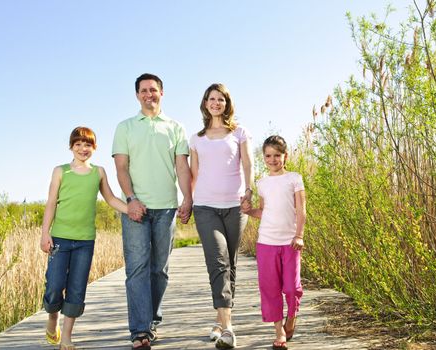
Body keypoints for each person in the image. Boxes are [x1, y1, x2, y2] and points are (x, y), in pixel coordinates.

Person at [112, 73, 192, 350]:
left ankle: (151, 318)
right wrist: (131, 199)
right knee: (137, 269)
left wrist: (188, 198)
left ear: (162, 93)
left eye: (154, 90)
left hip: (167, 208)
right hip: (136, 209)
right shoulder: (125, 127)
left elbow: (182, 167)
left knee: (159, 270)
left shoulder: (175, 127)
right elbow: (121, 168)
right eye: (144, 90)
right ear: (137, 95)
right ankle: (139, 331)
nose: (149, 94)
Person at [40, 126, 128, 350]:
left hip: (85, 241)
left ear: (94, 148)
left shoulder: (98, 172)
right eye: (78, 144)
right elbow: (51, 203)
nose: (82, 148)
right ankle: (52, 317)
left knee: (77, 289)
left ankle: (67, 337)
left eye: (87, 144)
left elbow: (110, 198)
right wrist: (45, 233)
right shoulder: (61, 171)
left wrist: (131, 209)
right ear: (71, 147)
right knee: (54, 286)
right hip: (59, 239)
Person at [189, 83, 254, 349]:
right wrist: (187, 202)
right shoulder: (196, 138)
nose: (216, 103)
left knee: (231, 264)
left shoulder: (239, 132)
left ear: (227, 103)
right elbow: (193, 175)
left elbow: (248, 163)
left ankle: (220, 320)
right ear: (205, 103)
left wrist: (249, 191)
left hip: (235, 206)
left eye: (221, 99)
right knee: (218, 261)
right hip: (205, 206)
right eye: (211, 98)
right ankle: (228, 330)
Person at [243, 135, 306, 350]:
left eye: (277, 155)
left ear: (285, 156)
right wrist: (249, 211)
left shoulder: (294, 178)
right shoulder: (262, 182)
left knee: (290, 287)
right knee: (270, 288)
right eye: (268, 156)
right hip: (266, 242)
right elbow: (263, 211)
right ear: (264, 157)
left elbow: (301, 211)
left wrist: (299, 235)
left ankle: (292, 315)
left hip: (290, 243)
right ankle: (278, 329)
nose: (272, 159)